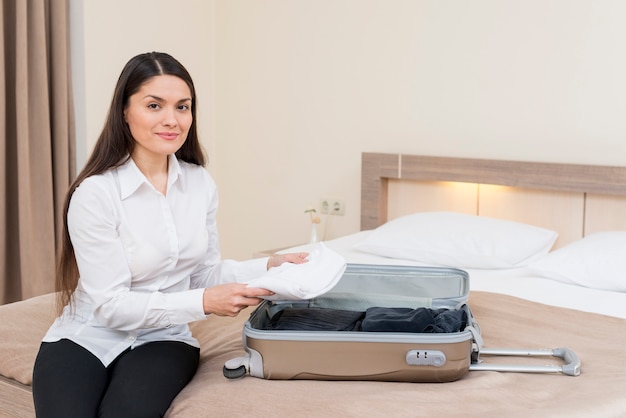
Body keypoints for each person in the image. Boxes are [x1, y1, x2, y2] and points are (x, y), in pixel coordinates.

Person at [31, 51, 308, 417]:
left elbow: (203, 274)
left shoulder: (199, 184)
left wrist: (269, 265)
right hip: (87, 335)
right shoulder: (95, 194)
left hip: (163, 338)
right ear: (124, 111)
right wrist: (204, 302)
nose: (171, 120)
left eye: (182, 107)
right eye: (154, 105)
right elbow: (111, 306)